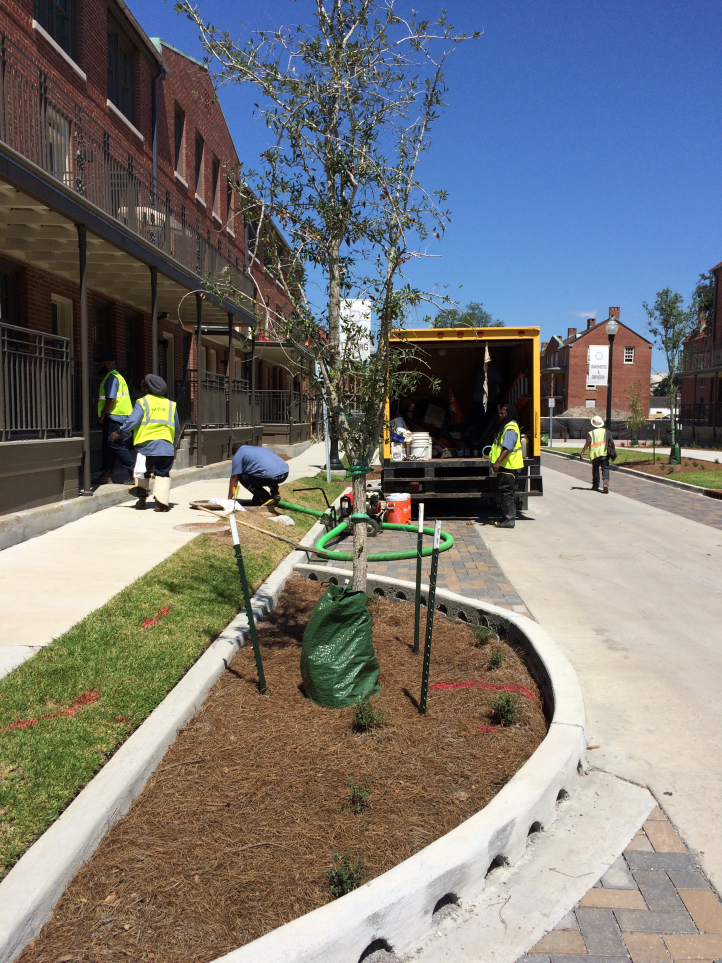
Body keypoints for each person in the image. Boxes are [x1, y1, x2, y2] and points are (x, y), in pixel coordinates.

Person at [110, 374, 179, 512]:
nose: (141, 387)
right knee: (163, 474)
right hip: (166, 447)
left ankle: (141, 501)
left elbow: (132, 422)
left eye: (143, 384)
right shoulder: (171, 404)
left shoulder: (143, 402)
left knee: (142, 472)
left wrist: (119, 432)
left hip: (146, 447)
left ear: (147, 388)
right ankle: (161, 503)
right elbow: (176, 427)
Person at [96, 352, 135, 484]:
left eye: (100, 364)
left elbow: (111, 399)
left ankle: (134, 470)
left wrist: (102, 414)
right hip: (119, 416)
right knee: (108, 445)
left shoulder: (112, 378)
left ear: (107, 363)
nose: (99, 366)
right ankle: (106, 474)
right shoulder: (118, 376)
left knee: (115, 443)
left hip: (115, 417)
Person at [489, 403, 524, 528]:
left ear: (508, 414)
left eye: (503, 413)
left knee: (506, 493)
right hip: (507, 465)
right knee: (504, 492)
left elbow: (507, 448)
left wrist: (497, 462)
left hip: (509, 466)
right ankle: (505, 518)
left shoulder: (510, 428)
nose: (500, 414)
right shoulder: (506, 426)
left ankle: (509, 520)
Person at [579, 415, 613, 493]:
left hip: (595, 455)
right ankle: (605, 485)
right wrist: (613, 451)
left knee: (595, 470)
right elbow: (612, 442)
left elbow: (587, 443)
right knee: (605, 469)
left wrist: (582, 452)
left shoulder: (591, 433)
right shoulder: (607, 432)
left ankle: (595, 486)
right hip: (604, 454)